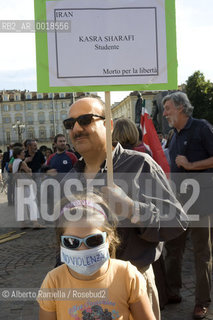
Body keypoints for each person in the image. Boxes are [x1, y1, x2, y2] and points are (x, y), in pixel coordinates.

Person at [59, 97, 188, 320]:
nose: (77, 129)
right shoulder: (70, 180)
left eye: (85, 120)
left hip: (134, 285)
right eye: (70, 124)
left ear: (108, 125)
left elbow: (177, 221)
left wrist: (132, 209)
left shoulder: (139, 165)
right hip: (83, 291)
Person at [38, 193, 156, 320]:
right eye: (71, 241)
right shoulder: (54, 282)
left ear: (109, 238)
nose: (82, 249)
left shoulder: (128, 276)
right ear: (61, 242)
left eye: (93, 240)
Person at [162, 91, 213, 319]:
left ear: (181, 108)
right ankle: (172, 292)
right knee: (173, 249)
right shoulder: (173, 135)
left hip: (201, 202)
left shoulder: (202, 127)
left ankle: (202, 302)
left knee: (202, 253)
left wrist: (192, 166)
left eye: (168, 108)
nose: (164, 114)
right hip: (178, 203)